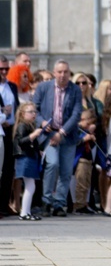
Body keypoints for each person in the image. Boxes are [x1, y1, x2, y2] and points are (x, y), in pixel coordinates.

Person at [33, 60, 83, 217]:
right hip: (49, 134)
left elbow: (76, 114)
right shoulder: (43, 87)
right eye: (59, 72)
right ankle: (46, 201)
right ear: (54, 73)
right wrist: (41, 122)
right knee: (52, 164)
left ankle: (59, 204)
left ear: (69, 73)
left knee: (66, 171)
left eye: (65, 72)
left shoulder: (75, 90)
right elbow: (35, 109)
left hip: (67, 135)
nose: (62, 75)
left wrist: (62, 132)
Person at [13, 103, 42, 220]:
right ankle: (24, 213)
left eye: (35, 111)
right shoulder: (22, 126)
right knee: (30, 185)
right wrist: (33, 135)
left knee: (31, 185)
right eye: (30, 112)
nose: (34, 114)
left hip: (29, 157)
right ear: (23, 114)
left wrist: (38, 150)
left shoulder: (30, 125)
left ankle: (26, 211)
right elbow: (21, 141)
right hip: (25, 157)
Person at [0, 55, 20, 216]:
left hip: (11, 130)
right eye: (1, 69)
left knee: (8, 169)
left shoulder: (11, 86)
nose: (4, 72)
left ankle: (4, 203)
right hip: (0, 127)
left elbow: (17, 107)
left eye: (7, 68)